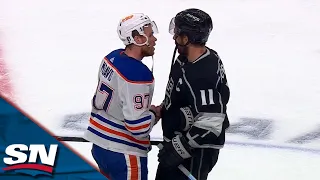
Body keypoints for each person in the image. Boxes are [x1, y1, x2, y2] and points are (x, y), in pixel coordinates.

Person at [154, 8, 230, 180]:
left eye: (178, 33)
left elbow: (211, 122)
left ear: (187, 38)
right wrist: (164, 108)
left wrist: (180, 148)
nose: (174, 37)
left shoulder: (202, 73)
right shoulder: (186, 59)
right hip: (178, 145)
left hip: (195, 154)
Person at [83, 13, 160, 180]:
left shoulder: (111, 57)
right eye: (150, 34)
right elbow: (138, 127)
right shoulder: (137, 74)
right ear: (138, 39)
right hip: (124, 153)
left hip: (99, 146)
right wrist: (155, 114)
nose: (154, 39)